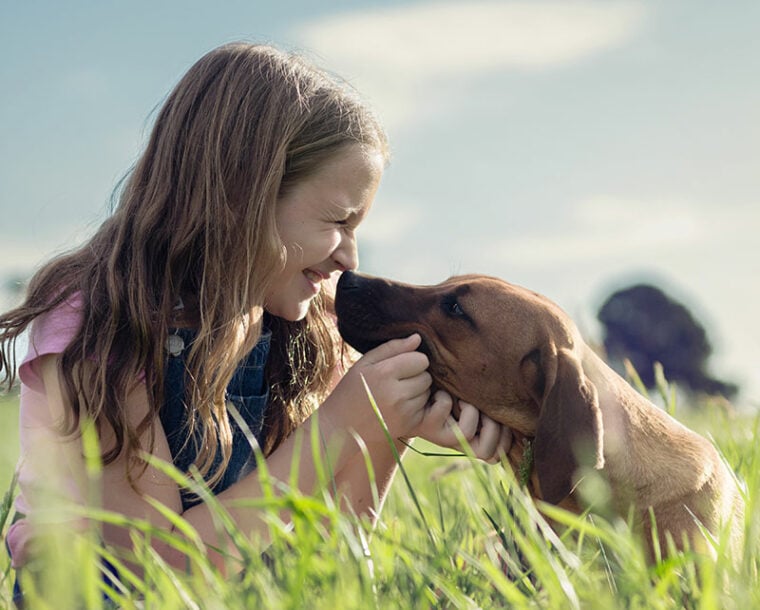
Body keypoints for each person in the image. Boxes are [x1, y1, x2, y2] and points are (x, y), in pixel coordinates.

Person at [0, 42, 512, 596]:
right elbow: (154, 571)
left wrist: (389, 427)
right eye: (340, 220)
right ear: (242, 197)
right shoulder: (99, 323)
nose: (350, 257)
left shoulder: (304, 330)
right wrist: (339, 424)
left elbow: (339, 556)